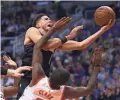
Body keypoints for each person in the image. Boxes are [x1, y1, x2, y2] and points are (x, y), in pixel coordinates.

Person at [17, 13, 115, 99]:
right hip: (28, 79)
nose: (49, 20)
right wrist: (68, 36)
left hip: (43, 81)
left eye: (49, 18)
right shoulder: (32, 30)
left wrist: (102, 30)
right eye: (46, 19)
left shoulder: (55, 42)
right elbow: (43, 44)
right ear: (38, 24)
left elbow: (81, 45)